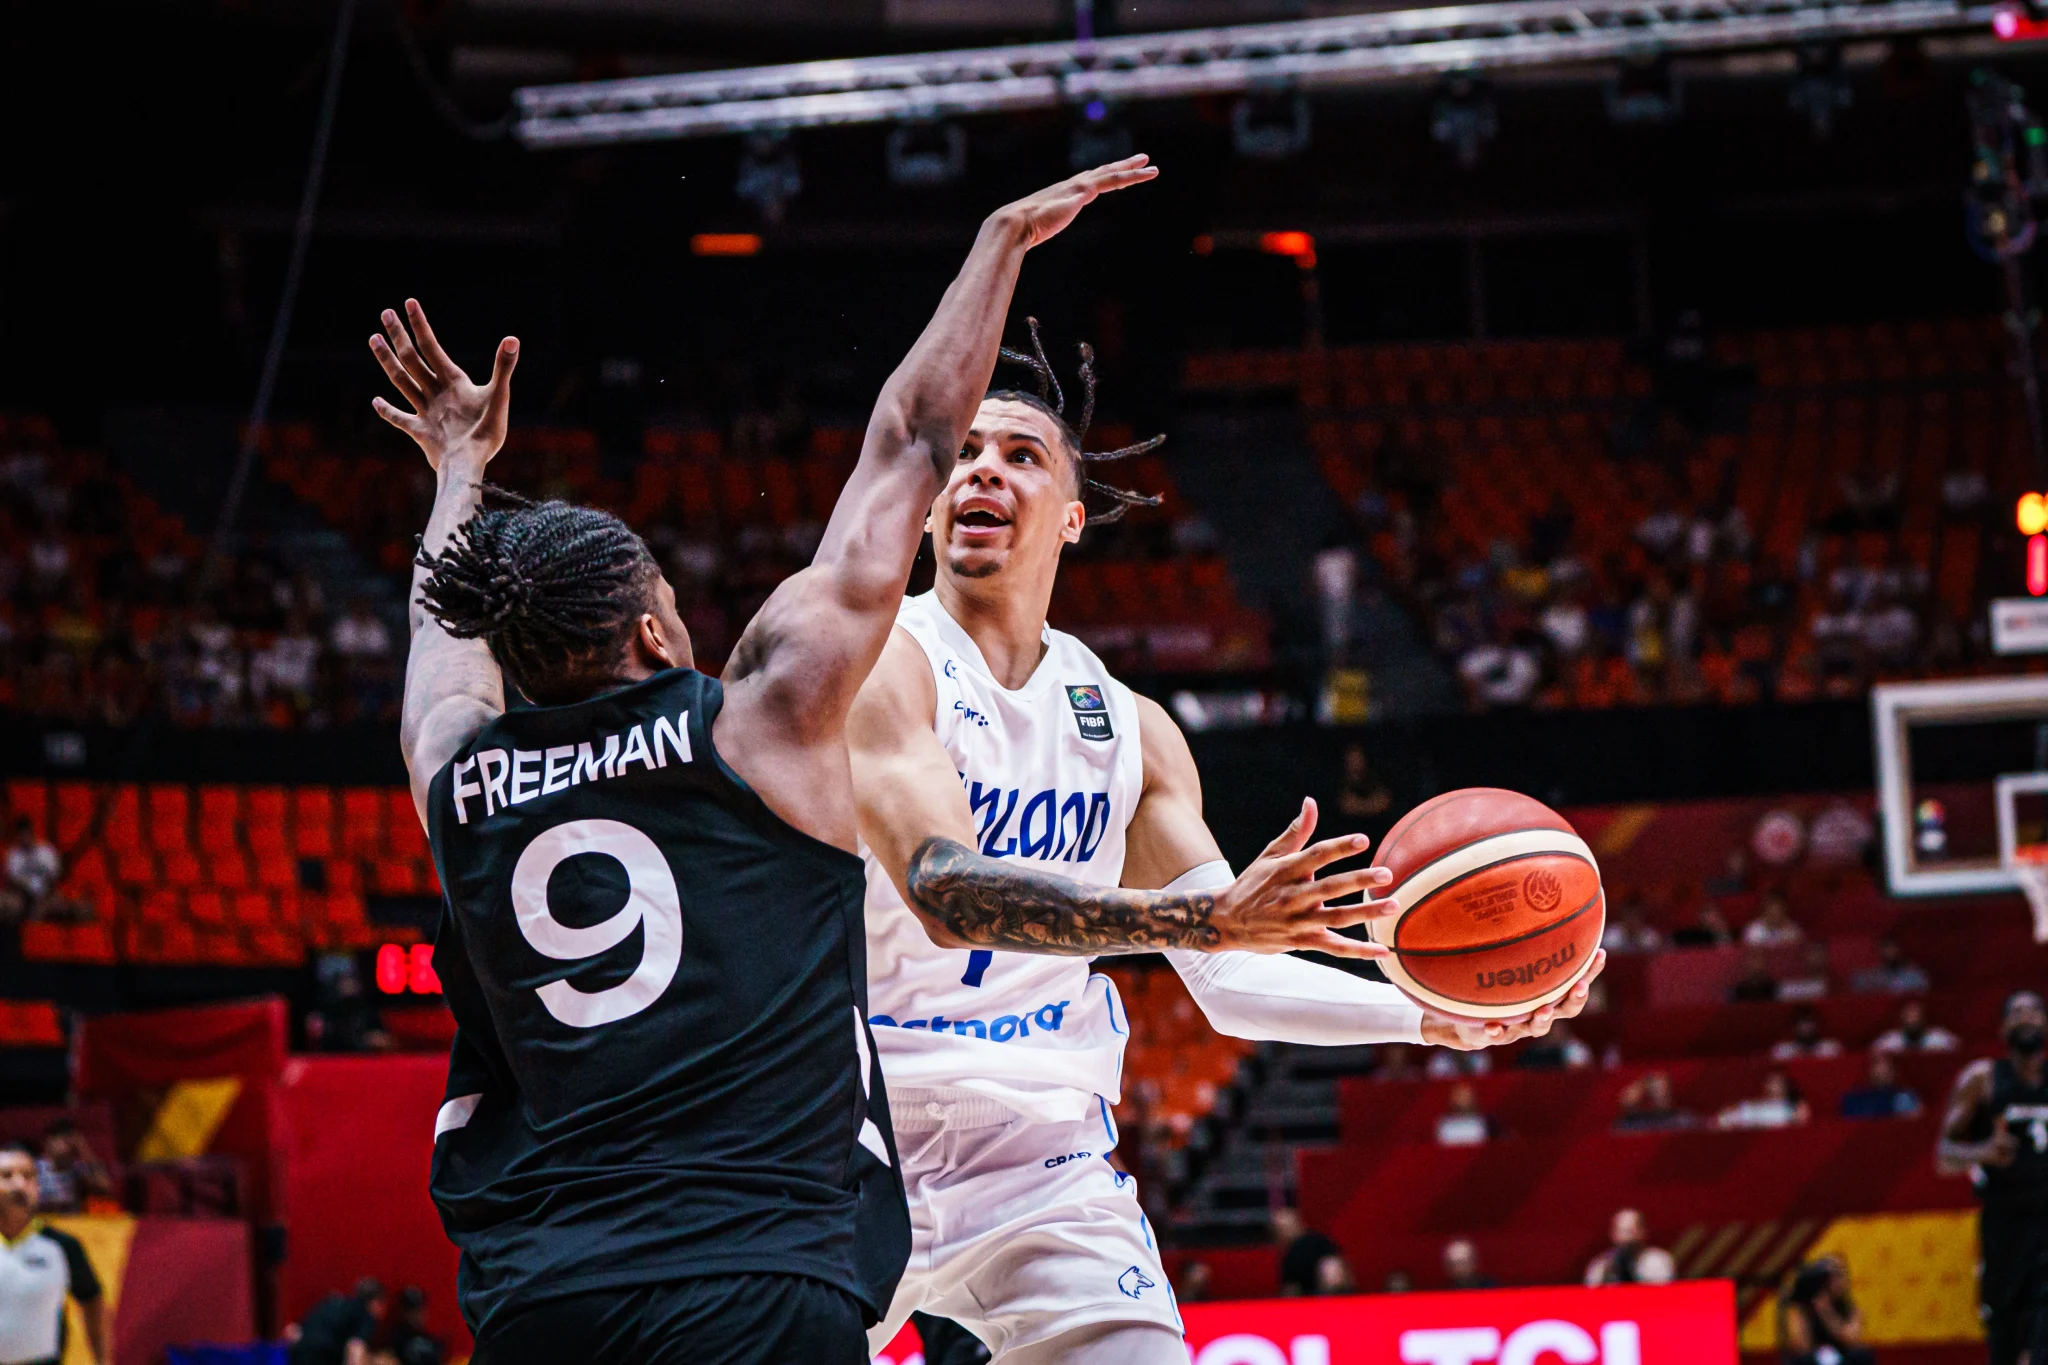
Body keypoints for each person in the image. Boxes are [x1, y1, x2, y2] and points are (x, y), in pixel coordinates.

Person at [384, 161, 1162, 1364]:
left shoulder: (461, 780)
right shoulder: (757, 726)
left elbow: (440, 664)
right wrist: (998, 245)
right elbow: (911, 439)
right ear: (653, 629)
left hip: (547, 1297)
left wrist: (454, 471)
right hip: (754, 1277)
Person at [844, 311, 1605, 1359]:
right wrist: (1200, 914)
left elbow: (1227, 981)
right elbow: (946, 901)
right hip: (852, 1137)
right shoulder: (880, 663)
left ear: (1071, 516)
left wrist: (1430, 1022)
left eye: (1019, 455)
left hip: (1042, 1162)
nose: (982, 472)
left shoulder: (1131, 731)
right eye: (962, 454)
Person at [1936, 990, 2048, 1365]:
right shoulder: (1983, 1079)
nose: (2027, 1017)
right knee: (2005, 1342)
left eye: (2034, 1011)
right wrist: (1983, 1151)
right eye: (2017, 1012)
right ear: (2003, 1028)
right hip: (2004, 1227)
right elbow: (1944, 1155)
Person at [0, 1139, 107, 1365]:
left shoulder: (62, 1246)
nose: (19, 1185)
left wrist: (102, 1360)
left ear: (38, 1187)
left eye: (28, 1176)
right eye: (7, 1176)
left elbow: (92, 1301)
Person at [1778, 1257, 1873, 1365]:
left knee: (1861, 1355)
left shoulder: (1852, 1309)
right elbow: (1803, 1346)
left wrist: (1826, 1312)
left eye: (1840, 1275)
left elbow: (1851, 1338)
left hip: (1844, 1357)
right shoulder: (1804, 1307)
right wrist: (1802, 1308)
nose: (1836, 1281)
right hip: (1814, 1357)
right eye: (1831, 1276)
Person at [289, 1277, 386, 1365]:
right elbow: (356, 1348)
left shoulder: (331, 1303)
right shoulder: (365, 1315)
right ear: (375, 1302)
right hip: (323, 1357)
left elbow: (293, 1331)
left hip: (298, 1355)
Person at [32, 1119, 111, 1214]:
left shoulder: (77, 1167)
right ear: (48, 1140)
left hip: (72, 1223)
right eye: (63, 1139)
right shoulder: (33, 1167)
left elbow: (105, 1187)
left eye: (70, 1141)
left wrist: (84, 1150)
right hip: (42, 1220)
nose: (67, 1145)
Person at [1585, 1209, 1674, 1286]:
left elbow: (1662, 1295)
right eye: (1621, 1231)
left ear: (1642, 1233)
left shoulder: (1658, 1261)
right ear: (1613, 1234)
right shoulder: (1601, 1267)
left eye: (1630, 1231)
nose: (1626, 1238)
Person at [1273, 1207, 1343, 1299]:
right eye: (1281, 1228)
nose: (1284, 1231)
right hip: (1309, 1299)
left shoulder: (1320, 1242)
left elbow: (1337, 1270)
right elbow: (1290, 1289)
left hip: (1332, 1297)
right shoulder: (1289, 1255)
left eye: (1287, 1226)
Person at [2, 818, 62, 923]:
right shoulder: (13, 855)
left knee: (53, 904)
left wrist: (44, 894)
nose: (25, 837)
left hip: (46, 895)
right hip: (23, 896)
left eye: (27, 833)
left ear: (32, 833)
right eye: (21, 834)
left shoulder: (47, 851)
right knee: (9, 903)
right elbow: (13, 881)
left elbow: (54, 876)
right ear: (18, 836)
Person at [1840, 1052, 1922, 1120]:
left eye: (1886, 1067)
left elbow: (1913, 1125)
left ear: (1894, 1072)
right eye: (1877, 1065)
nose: (1881, 1070)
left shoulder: (1902, 1097)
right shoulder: (1854, 1097)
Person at [1718, 1070, 1810, 1129]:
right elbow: (1723, 1120)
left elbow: (1803, 1127)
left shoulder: (1795, 1108)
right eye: (1771, 1082)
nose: (1774, 1086)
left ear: (1787, 1085)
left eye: (1778, 1082)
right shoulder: (1751, 1107)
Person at [1613, 1071, 1696, 1133]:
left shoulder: (1684, 1119)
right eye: (1656, 1090)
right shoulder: (1632, 1124)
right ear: (1647, 1096)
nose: (1662, 1094)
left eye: (1665, 1089)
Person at [1873, 998, 1959, 1054]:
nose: (1913, 1019)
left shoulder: (1939, 1038)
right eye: (1909, 1015)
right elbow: (1874, 1052)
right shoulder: (1889, 1041)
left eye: (1916, 1015)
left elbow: (1957, 1049)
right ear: (1902, 1018)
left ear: (1923, 1018)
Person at [1851, 937, 1931, 995]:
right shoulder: (1875, 974)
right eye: (1886, 949)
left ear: (1899, 950)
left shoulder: (1914, 975)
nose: (1890, 953)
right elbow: (1856, 983)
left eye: (1893, 948)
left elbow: (1923, 988)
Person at [388, 1286, 444, 1365]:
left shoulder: (434, 1342)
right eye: (411, 1311)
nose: (416, 1315)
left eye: (419, 1310)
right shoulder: (396, 1340)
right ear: (403, 1312)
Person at [1770, 1008, 1843, 1061]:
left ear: (1817, 1025)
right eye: (1801, 1023)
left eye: (1809, 1022)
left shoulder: (1831, 1047)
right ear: (1793, 1027)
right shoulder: (1782, 1050)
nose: (1805, 1027)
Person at [1435, 1081, 1494, 1147]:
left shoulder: (1481, 1123)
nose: (1462, 1099)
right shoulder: (1444, 1124)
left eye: (1465, 1095)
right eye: (1459, 1095)